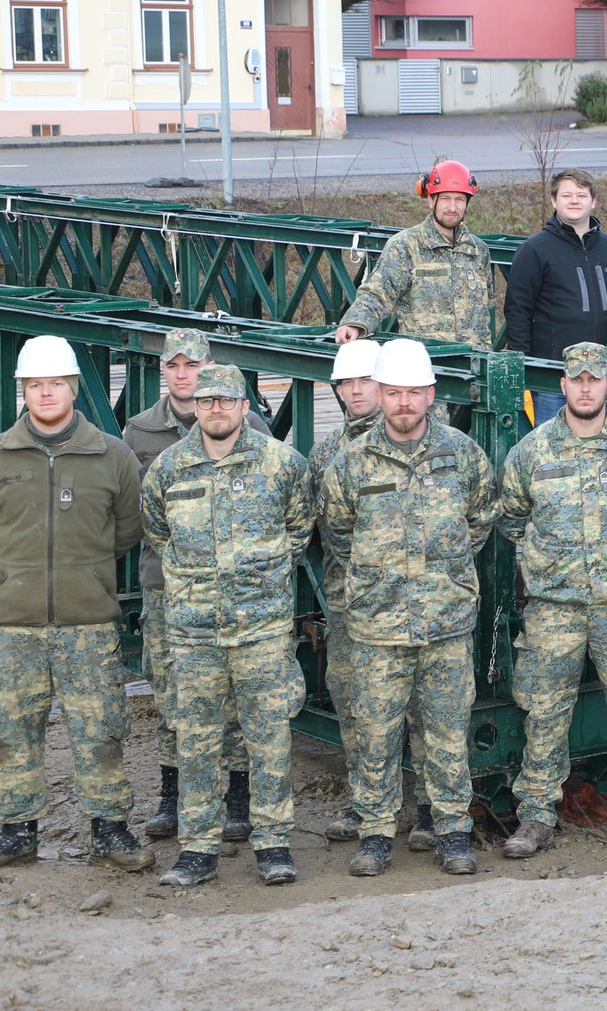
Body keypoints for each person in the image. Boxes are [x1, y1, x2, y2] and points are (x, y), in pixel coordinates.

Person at [0, 335, 150, 873]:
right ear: (24, 391)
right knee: (10, 730)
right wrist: (20, 570)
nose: (46, 393)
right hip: (11, 624)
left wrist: (82, 571)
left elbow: (127, 528)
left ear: (73, 388)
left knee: (102, 730)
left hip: (88, 622)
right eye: (36, 385)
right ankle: (16, 832)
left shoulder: (111, 455)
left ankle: (110, 830)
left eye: (56, 384)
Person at [319, 339, 496, 879]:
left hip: (445, 623)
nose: (402, 403)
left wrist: (439, 574)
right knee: (376, 733)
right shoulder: (351, 461)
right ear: (380, 393)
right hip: (377, 625)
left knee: (445, 732)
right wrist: (383, 579)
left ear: (430, 395)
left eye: (412, 393)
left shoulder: (462, 454)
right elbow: (339, 531)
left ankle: (451, 832)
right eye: (393, 393)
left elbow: (482, 518)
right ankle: (375, 835)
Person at [497, 343, 607, 860]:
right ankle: (535, 814)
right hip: (554, 607)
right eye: (575, 379)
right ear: (563, 384)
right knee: (544, 711)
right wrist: (549, 561)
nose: (584, 387)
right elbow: (511, 517)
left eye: (593, 379)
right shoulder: (532, 451)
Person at [141, 365, 313, 888]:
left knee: (269, 739)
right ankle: (197, 849)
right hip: (194, 635)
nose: (216, 408)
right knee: (195, 740)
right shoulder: (168, 469)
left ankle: (273, 843)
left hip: (262, 630)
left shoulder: (283, 464)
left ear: (246, 406)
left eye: (227, 400)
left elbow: (299, 528)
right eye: (208, 400)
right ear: (195, 406)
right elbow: (157, 532)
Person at [122, 328, 259, 844]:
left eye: (194, 365)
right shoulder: (139, 431)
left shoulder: (250, 423)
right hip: (167, 584)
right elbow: (141, 514)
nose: (184, 375)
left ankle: (240, 797)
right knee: (173, 690)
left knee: (240, 694)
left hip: (239, 586)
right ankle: (172, 794)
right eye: (174, 366)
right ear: (164, 370)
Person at [304, 338, 420, 847]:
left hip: (417, 600)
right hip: (351, 601)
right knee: (353, 701)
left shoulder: (417, 438)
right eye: (345, 383)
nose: (354, 391)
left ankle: (430, 805)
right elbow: (310, 523)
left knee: (423, 705)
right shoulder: (328, 453)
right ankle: (367, 801)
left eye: (364, 381)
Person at [503, 167, 607, 422]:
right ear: (554, 201)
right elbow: (517, 309)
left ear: (594, 201)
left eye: (581, 195)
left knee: (602, 450)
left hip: (601, 373)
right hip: (553, 376)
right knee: (552, 450)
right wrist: (524, 366)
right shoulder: (535, 249)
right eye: (567, 195)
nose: (574, 201)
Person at [336, 162, 493, 349]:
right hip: (425, 365)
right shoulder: (406, 246)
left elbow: (485, 313)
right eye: (445, 198)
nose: (452, 207)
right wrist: (355, 323)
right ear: (430, 200)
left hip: (474, 365)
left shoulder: (478, 251)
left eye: (459, 199)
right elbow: (377, 294)